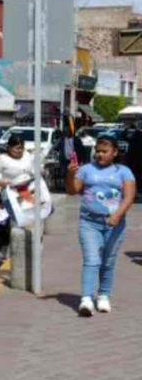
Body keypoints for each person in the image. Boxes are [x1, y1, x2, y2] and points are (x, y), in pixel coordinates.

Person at [65, 135, 136, 317]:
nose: (100, 154)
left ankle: (103, 295)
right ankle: (87, 299)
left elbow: (129, 197)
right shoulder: (86, 170)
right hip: (89, 222)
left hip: (115, 224)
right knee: (92, 260)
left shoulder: (124, 171)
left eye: (104, 151)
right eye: (97, 151)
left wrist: (117, 215)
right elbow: (72, 191)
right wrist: (71, 173)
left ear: (114, 153)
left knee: (108, 261)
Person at [0, 136, 34, 261]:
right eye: (16, 148)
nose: (19, 151)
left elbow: (34, 170)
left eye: (21, 148)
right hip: (10, 193)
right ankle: (8, 250)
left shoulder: (28, 156)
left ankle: (18, 250)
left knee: (25, 221)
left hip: (26, 191)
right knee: (12, 222)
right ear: (9, 147)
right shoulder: (2, 159)